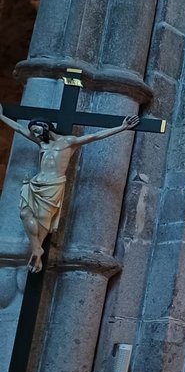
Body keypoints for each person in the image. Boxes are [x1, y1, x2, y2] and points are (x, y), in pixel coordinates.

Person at [0, 107, 139, 272]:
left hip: (53, 184)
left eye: (37, 130)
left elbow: (94, 136)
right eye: (34, 133)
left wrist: (121, 128)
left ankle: (37, 249)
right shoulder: (41, 142)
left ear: (45, 126)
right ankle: (37, 248)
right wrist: (1, 116)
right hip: (36, 183)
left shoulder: (68, 142)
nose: (35, 135)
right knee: (24, 214)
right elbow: (18, 128)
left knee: (44, 217)